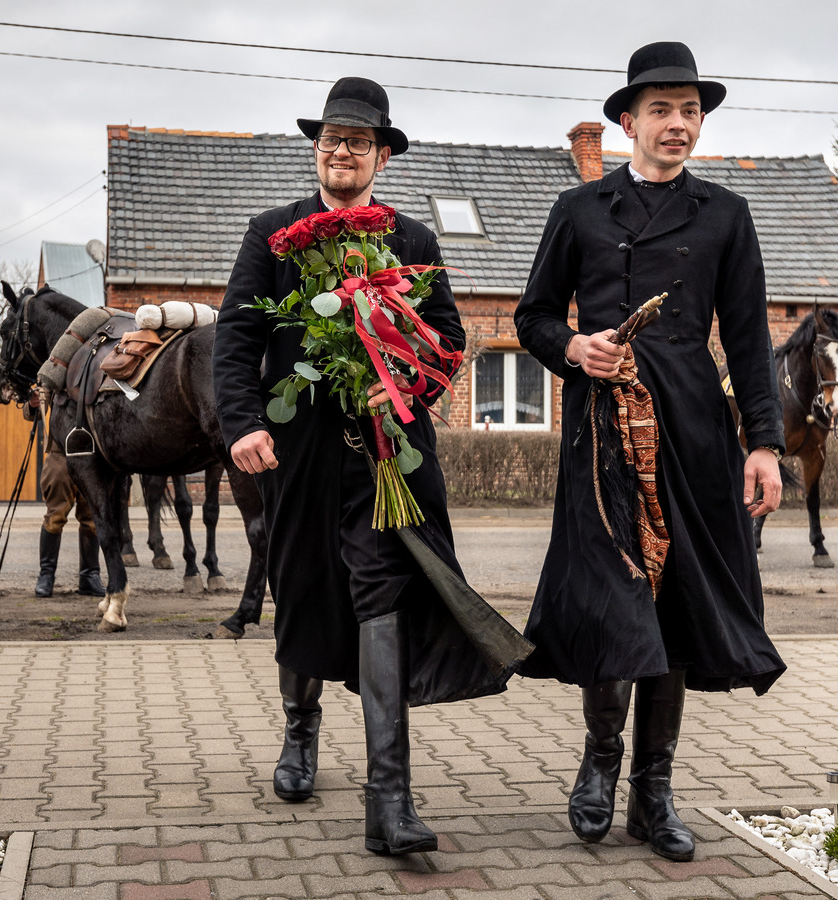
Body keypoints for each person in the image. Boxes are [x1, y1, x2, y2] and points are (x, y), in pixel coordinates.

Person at [213, 76, 513, 856]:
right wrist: (244, 425)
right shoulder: (272, 232)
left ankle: (391, 801)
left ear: (382, 155)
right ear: (319, 151)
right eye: (331, 139)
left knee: (385, 596)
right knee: (303, 589)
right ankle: (299, 731)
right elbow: (238, 342)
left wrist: (404, 386)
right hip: (298, 456)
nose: (342, 151)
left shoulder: (412, 240)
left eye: (358, 141)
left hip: (386, 455)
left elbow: (447, 339)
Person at [513, 41, 787, 863]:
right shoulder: (580, 208)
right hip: (602, 435)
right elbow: (530, 317)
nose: (678, 125)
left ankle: (653, 792)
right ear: (626, 121)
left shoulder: (726, 215)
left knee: (673, 611)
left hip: (695, 436)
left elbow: (745, 340)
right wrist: (573, 348)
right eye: (662, 110)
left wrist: (765, 444)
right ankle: (599, 766)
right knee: (611, 600)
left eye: (691, 111)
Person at [23, 390, 104, 598]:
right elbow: (34, 411)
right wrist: (32, 405)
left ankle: (90, 575)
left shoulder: (99, 362)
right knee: (55, 515)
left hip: (93, 453)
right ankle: (46, 575)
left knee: (92, 517)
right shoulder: (58, 366)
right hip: (60, 453)